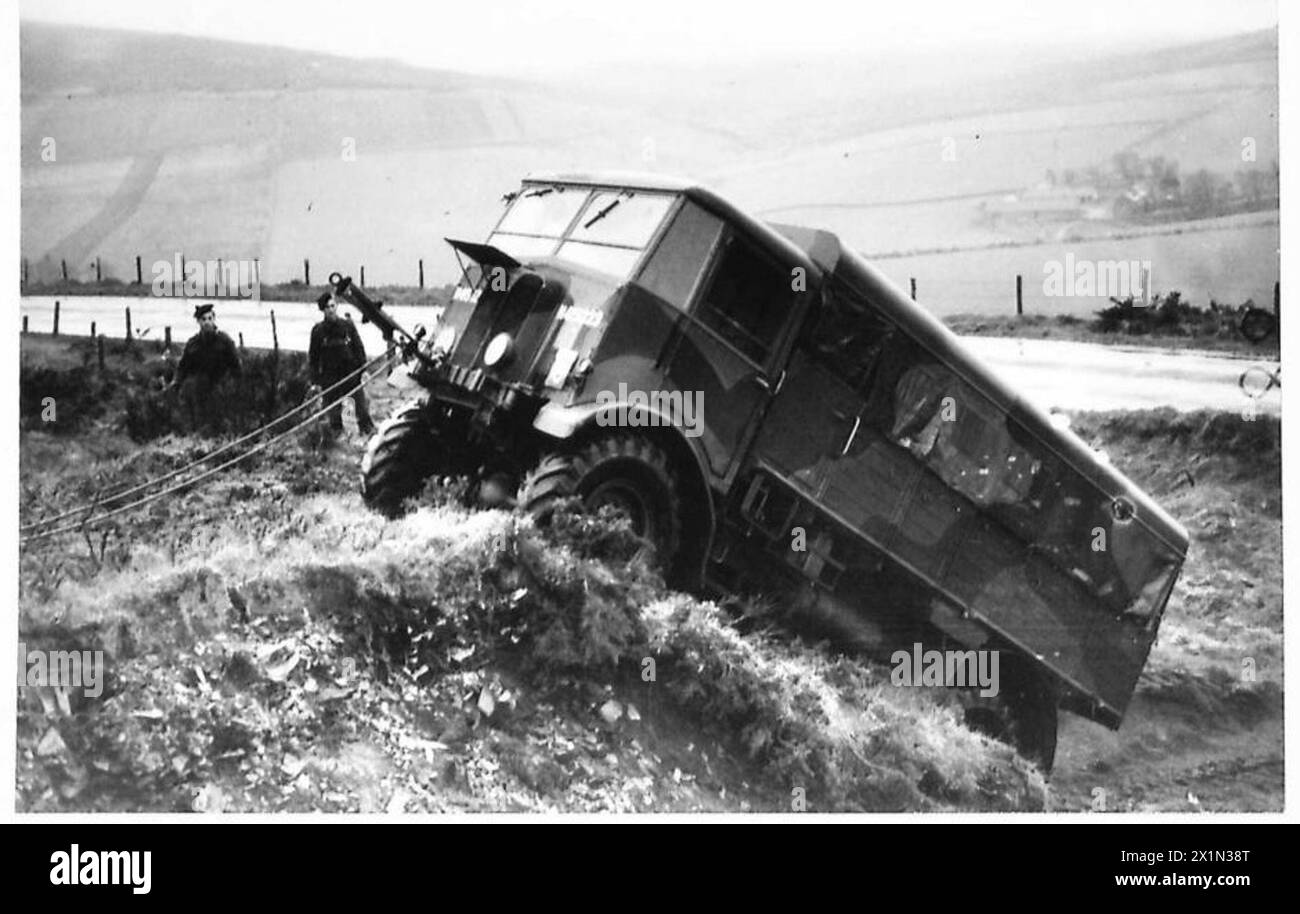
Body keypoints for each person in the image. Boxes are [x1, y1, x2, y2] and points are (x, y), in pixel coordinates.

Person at [309, 292, 376, 437]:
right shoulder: (318, 331)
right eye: (327, 307)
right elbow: (313, 358)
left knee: (362, 410)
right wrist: (316, 382)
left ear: (336, 306)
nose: (331, 310)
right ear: (323, 310)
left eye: (333, 306)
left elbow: (359, 348)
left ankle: (369, 433)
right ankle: (337, 437)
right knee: (334, 414)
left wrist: (363, 370)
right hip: (330, 378)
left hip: (350, 374)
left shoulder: (347, 326)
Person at [172, 303, 242, 434]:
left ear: (214, 319)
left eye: (210, 319)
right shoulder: (193, 344)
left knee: (219, 424)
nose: (207, 323)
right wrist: (176, 383)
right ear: (198, 322)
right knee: (198, 423)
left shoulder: (224, 341)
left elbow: (236, 367)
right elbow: (183, 367)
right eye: (203, 319)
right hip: (198, 391)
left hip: (220, 389)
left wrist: (234, 387)